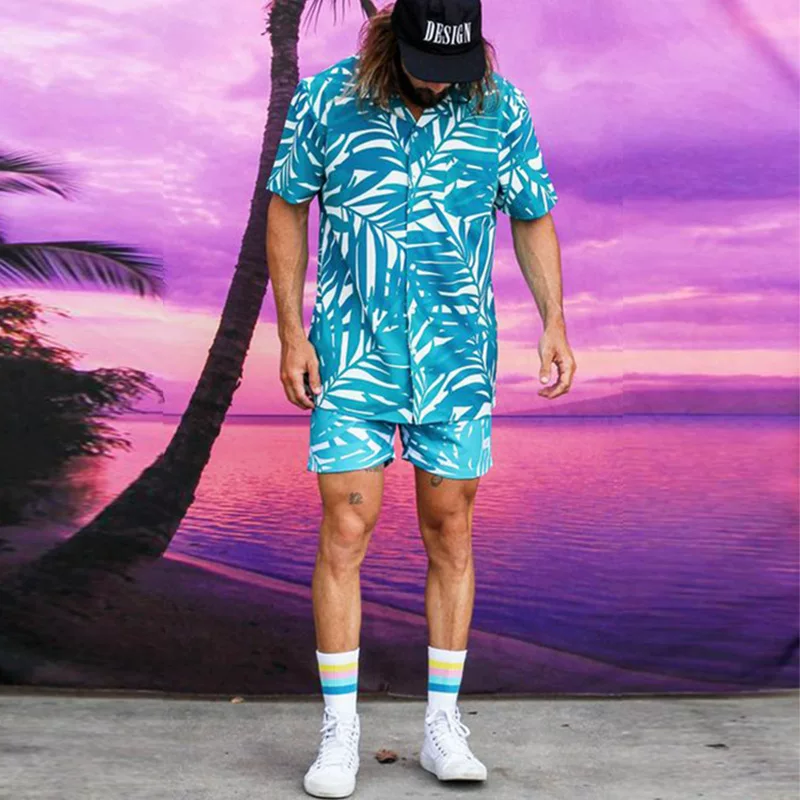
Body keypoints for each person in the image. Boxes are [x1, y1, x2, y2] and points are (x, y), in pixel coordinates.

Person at [266, 0, 576, 796]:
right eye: (425, 68)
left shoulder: (499, 106)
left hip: (456, 357)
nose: (439, 85)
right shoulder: (328, 98)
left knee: (451, 530)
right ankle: (339, 732)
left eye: (452, 70)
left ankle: (442, 725)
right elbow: (286, 205)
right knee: (346, 527)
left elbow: (533, 215)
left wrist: (554, 322)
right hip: (352, 352)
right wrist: (292, 333)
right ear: (390, 38)